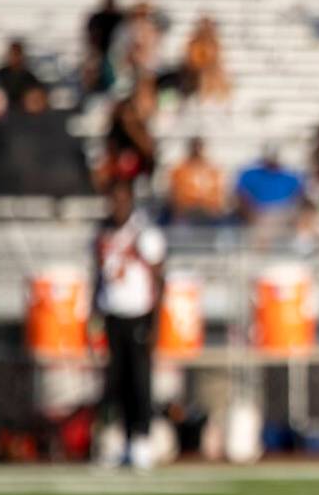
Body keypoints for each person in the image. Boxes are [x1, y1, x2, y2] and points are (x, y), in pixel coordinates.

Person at [91, 179, 166, 470]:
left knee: (140, 380)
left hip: (138, 314)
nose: (117, 206)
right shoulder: (102, 233)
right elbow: (97, 276)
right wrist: (93, 314)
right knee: (115, 381)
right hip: (112, 315)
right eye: (113, 199)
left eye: (122, 199)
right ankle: (120, 440)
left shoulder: (144, 233)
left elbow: (160, 279)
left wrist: (155, 324)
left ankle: (142, 439)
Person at [167, 136, 226, 224]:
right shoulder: (179, 169)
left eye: (199, 147)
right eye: (194, 147)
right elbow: (174, 194)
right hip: (187, 212)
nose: (197, 151)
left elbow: (217, 194)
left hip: (209, 213)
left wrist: (212, 208)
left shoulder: (212, 170)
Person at [0, 39, 42, 111]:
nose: (14, 57)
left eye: (17, 54)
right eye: (12, 54)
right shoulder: (1, 73)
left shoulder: (29, 77)